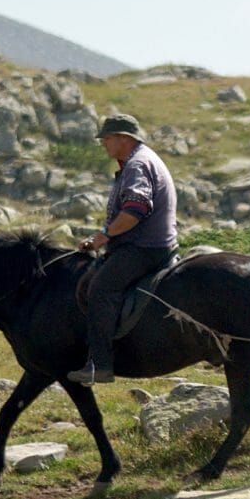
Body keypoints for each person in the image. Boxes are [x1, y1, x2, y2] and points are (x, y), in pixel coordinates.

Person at [71, 113, 176, 384]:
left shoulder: (137, 164)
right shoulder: (142, 158)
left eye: (107, 138)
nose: (103, 143)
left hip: (143, 248)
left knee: (101, 289)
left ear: (123, 138)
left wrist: (103, 236)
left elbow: (136, 209)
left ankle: (101, 365)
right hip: (150, 244)